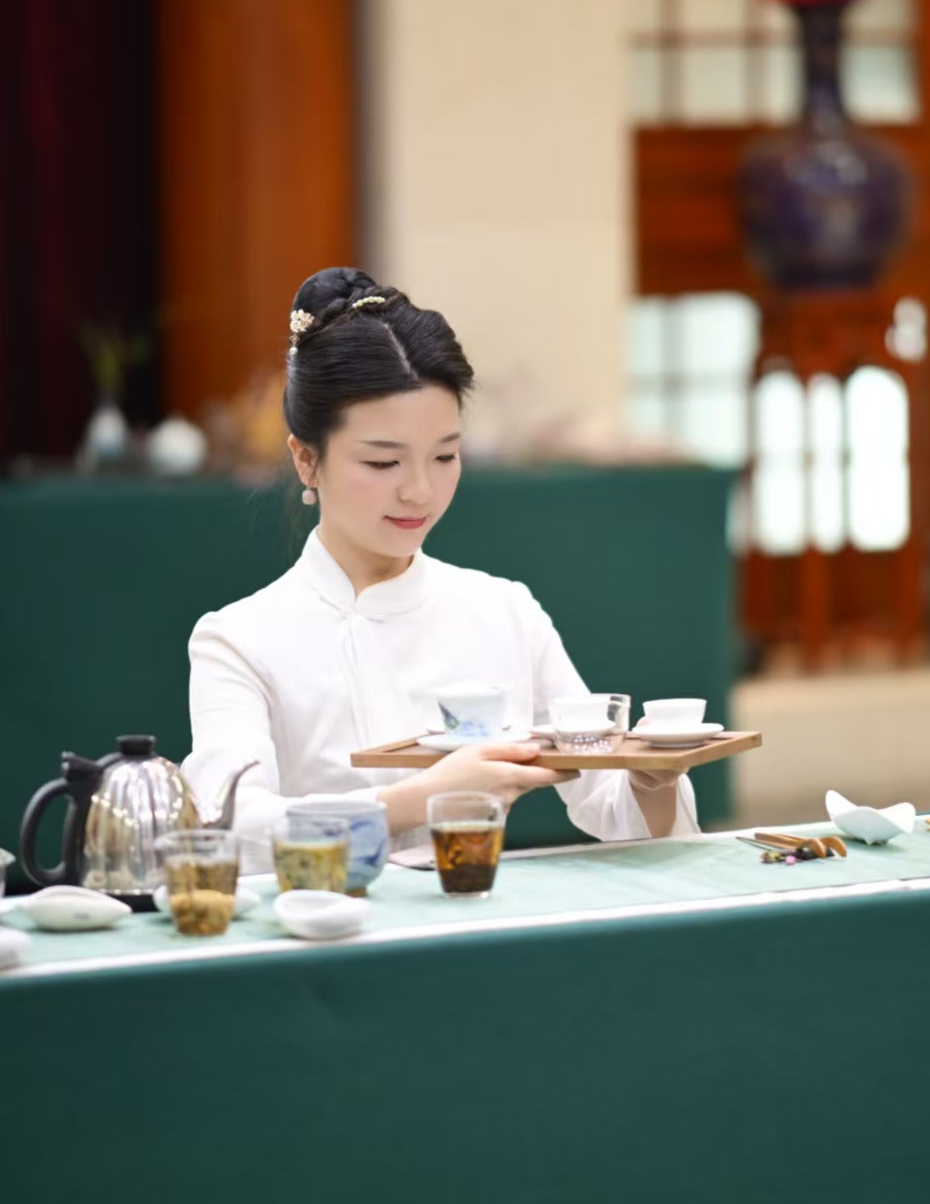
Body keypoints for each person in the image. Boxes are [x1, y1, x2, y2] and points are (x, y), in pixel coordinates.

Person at [183, 268, 697, 869]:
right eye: (383, 463)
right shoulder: (239, 639)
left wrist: (651, 777)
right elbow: (229, 827)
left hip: (479, 915)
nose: (420, 492)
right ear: (306, 458)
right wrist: (423, 798)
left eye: (445, 456)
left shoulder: (502, 611)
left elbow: (611, 803)